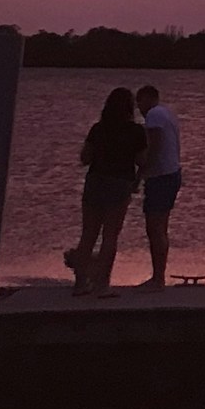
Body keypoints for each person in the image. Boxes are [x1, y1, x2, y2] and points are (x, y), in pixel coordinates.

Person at [64, 87, 146, 296]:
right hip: (119, 184)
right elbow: (142, 161)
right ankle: (102, 284)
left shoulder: (98, 129)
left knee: (88, 235)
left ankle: (81, 283)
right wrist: (137, 181)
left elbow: (85, 158)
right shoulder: (136, 131)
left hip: (95, 182)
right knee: (110, 236)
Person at [134, 83, 182, 290]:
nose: (139, 108)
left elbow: (154, 148)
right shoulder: (167, 113)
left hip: (161, 177)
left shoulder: (154, 116)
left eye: (139, 102)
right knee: (160, 228)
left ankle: (157, 278)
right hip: (172, 173)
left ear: (147, 99)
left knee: (155, 228)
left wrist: (138, 175)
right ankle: (158, 276)